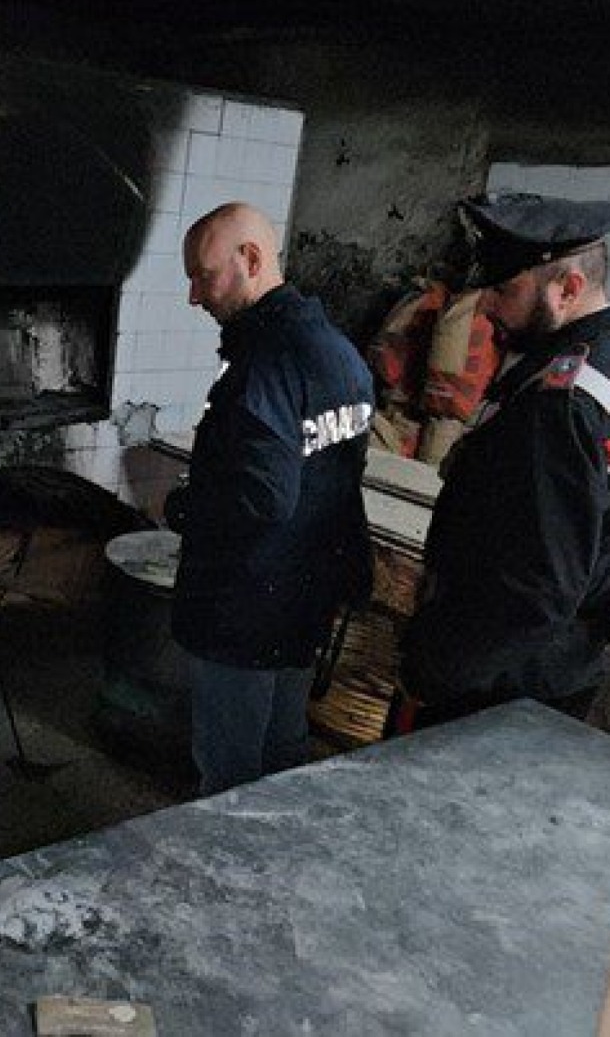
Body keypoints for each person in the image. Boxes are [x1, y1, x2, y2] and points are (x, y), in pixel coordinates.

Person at [397, 192, 610, 727]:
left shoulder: (561, 403)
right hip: (573, 659)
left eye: (506, 290)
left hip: (498, 682)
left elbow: (536, 589)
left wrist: (432, 669)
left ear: (567, 288)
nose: (490, 307)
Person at [168, 202, 374, 794]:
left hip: (243, 612)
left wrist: (184, 509)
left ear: (250, 259)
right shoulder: (340, 354)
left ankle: (220, 880)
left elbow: (261, 500)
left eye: (203, 276)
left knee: (228, 771)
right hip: (304, 601)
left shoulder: (264, 368)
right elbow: (336, 480)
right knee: (283, 755)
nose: (194, 297)